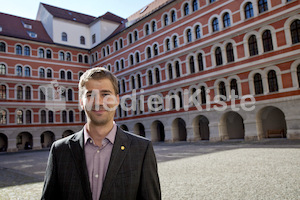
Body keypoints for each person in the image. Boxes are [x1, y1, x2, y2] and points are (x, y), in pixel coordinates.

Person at [41, 67, 161, 200]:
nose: (98, 102)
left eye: (105, 94)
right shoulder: (60, 150)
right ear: (81, 102)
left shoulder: (142, 149)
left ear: (116, 100)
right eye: (90, 95)